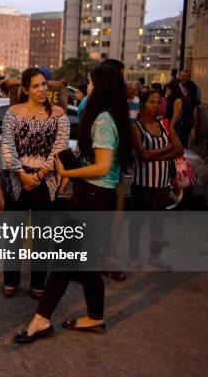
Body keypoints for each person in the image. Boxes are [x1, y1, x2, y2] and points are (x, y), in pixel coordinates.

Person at [14, 64, 133, 344]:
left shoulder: (103, 119)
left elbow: (102, 167)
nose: (87, 89)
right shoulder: (114, 115)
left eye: (91, 84)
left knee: (64, 260)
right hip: (97, 198)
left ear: (100, 87)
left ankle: (41, 320)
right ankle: (94, 317)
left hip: (92, 199)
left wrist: (67, 172)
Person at [0, 68, 69, 300]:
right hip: (17, 179)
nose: (42, 90)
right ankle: (10, 280)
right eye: (36, 86)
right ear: (26, 89)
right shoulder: (12, 112)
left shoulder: (58, 113)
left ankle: (38, 282)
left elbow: (60, 147)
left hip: (45, 180)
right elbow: (7, 146)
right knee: (13, 234)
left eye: (44, 85)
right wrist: (22, 174)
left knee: (42, 236)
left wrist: (38, 176)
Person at [129, 90, 183, 270]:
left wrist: (155, 156)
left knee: (157, 223)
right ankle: (134, 258)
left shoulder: (166, 125)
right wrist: (167, 149)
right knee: (137, 223)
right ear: (143, 104)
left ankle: (155, 257)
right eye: (152, 102)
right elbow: (142, 155)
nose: (156, 105)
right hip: (142, 185)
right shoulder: (136, 128)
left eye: (158, 102)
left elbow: (180, 150)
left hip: (161, 185)